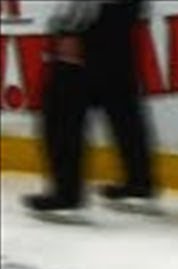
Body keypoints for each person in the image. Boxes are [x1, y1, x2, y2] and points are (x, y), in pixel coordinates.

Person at [23, 0, 156, 216]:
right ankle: (139, 184)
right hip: (121, 13)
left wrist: (69, 30)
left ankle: (66, 195)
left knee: (62, 108)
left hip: (91, 21)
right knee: (121, 101)